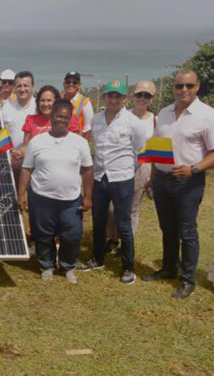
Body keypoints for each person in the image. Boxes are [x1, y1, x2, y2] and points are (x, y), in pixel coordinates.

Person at [142, 69, 214, 298]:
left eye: (189, 86)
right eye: (179, 86)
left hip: (188, 181)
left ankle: (187, 279)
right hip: (162, 180)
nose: (184, 90)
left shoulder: (207, 115)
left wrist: (193, 169)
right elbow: (157, 147)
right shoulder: (164, 113)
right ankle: (169, 268)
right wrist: (152, 178)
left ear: (197, 86)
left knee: (187, 230)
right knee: (168, 228)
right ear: (173, 87)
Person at [79, 79, 147, 285]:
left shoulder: (133, 122)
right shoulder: (97, 120)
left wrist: (127, 170)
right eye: (110, 95)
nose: (114, 99)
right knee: (98, 220)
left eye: (118, 96)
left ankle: (128, 267)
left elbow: (140, 150)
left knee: (123, 223)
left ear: (125, 99)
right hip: (100, 177)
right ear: (105, 97)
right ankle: (98, 258)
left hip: (122, 178)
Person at [17, 99, 93, 284]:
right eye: (58, 116)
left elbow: (87, 169)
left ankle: (68, 267)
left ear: (70, 120)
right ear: (51, 117)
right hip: (42, 198)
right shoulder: (37, 141)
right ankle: (47, 265)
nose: (62, 120)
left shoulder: (79, 143)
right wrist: (21, 194)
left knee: (72, 235)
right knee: (43, 234)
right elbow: (26, 169)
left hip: (71, 199)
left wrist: (88, 196)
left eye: (66, 117)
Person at [105, 80, 157, 250]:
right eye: (139, 94)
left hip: (142, 168)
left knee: (132, 209)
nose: (142, 98)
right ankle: (111, 238)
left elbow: (158, 150)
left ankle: (127, 245)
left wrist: (153, 176)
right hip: (119, 167)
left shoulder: (155, 121)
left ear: (152, 99)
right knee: (112, 208)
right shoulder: (122, 115)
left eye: (147, 95)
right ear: (132, 96)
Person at [19, 85, 79, 153]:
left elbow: (76, 145)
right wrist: (20, 153)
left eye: (49, 100)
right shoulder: (31, 120)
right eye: (42, 100)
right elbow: (25, 146)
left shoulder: (68, 119)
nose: (45, 104)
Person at [2, 71, 37, 183]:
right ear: (14, 88)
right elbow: (1, 135)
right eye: (19, 86)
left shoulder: (39, 107)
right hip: (14, 163)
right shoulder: (6, 108)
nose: (22, 89)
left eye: (26, 85)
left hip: (36, 164)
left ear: (33, 87)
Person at [62, 71, 93, 138]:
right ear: (64, 84)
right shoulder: (58, 99)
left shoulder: (85, 102)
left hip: (77, 141)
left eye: (74, 82)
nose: (71, 84)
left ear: (79, 85)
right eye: (68, 82)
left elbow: (88, 128)